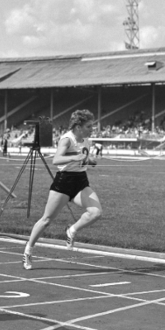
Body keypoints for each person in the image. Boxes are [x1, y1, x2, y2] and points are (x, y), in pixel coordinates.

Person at [22, 109, 102, 270]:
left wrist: (90, 160)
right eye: (88, 126)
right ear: (78, 126)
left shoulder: (86, 140)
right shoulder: (67, 140)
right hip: (64, 182)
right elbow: (56, 160)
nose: (91, 129)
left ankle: (71, 230)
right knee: (46, 220)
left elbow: (83, 161)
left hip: (80, 181)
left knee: (96, 212)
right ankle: (28, 251)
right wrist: (74, 157)